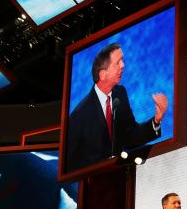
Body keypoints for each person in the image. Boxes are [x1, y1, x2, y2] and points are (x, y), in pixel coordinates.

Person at [66, 42, 169, 172]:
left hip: (122, 176)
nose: (123, 65)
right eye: (118, 62)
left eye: (122, 61)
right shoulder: (80, 115)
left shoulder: (120, 93)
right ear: (102, 74)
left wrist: (156, 120)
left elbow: (131, 136)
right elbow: (70, 164)